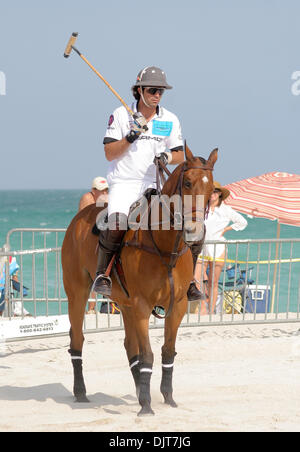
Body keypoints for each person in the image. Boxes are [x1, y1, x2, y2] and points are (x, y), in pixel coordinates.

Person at [92, 66, 204, 302]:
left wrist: (166, 157)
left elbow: (179, 154)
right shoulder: (122, 115)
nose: (157, 95)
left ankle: (190, 279)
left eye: (161, 91)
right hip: (125, 182)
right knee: (118, 223)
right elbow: (109, 153)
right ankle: (102, 274)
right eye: (152, 90)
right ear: (139, 90)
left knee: (194, 228)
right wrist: (130, 137)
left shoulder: (170, 119)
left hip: (156, 183)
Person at [194, 181, 248, 315]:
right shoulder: (201, 208)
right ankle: (202, 308)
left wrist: (226, 229)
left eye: (215, 191)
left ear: (219, 194)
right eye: (210, 191)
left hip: (218, 247)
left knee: (213, 282)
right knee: (196, 278)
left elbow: (242, 222)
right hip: (202, 246)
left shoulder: (225, 210)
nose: (212, 194)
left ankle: (211, 310)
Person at [78, 177, 109, 313]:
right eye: (101, 190)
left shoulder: (105, 198)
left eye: (106, 190)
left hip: (98, 237)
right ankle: (88, 307)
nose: (104, 193)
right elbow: (85, 220)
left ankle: (93, 307)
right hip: (85, 239)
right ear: (93, 190)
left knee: (97, 271)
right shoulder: (87, 198)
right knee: (87, 274)